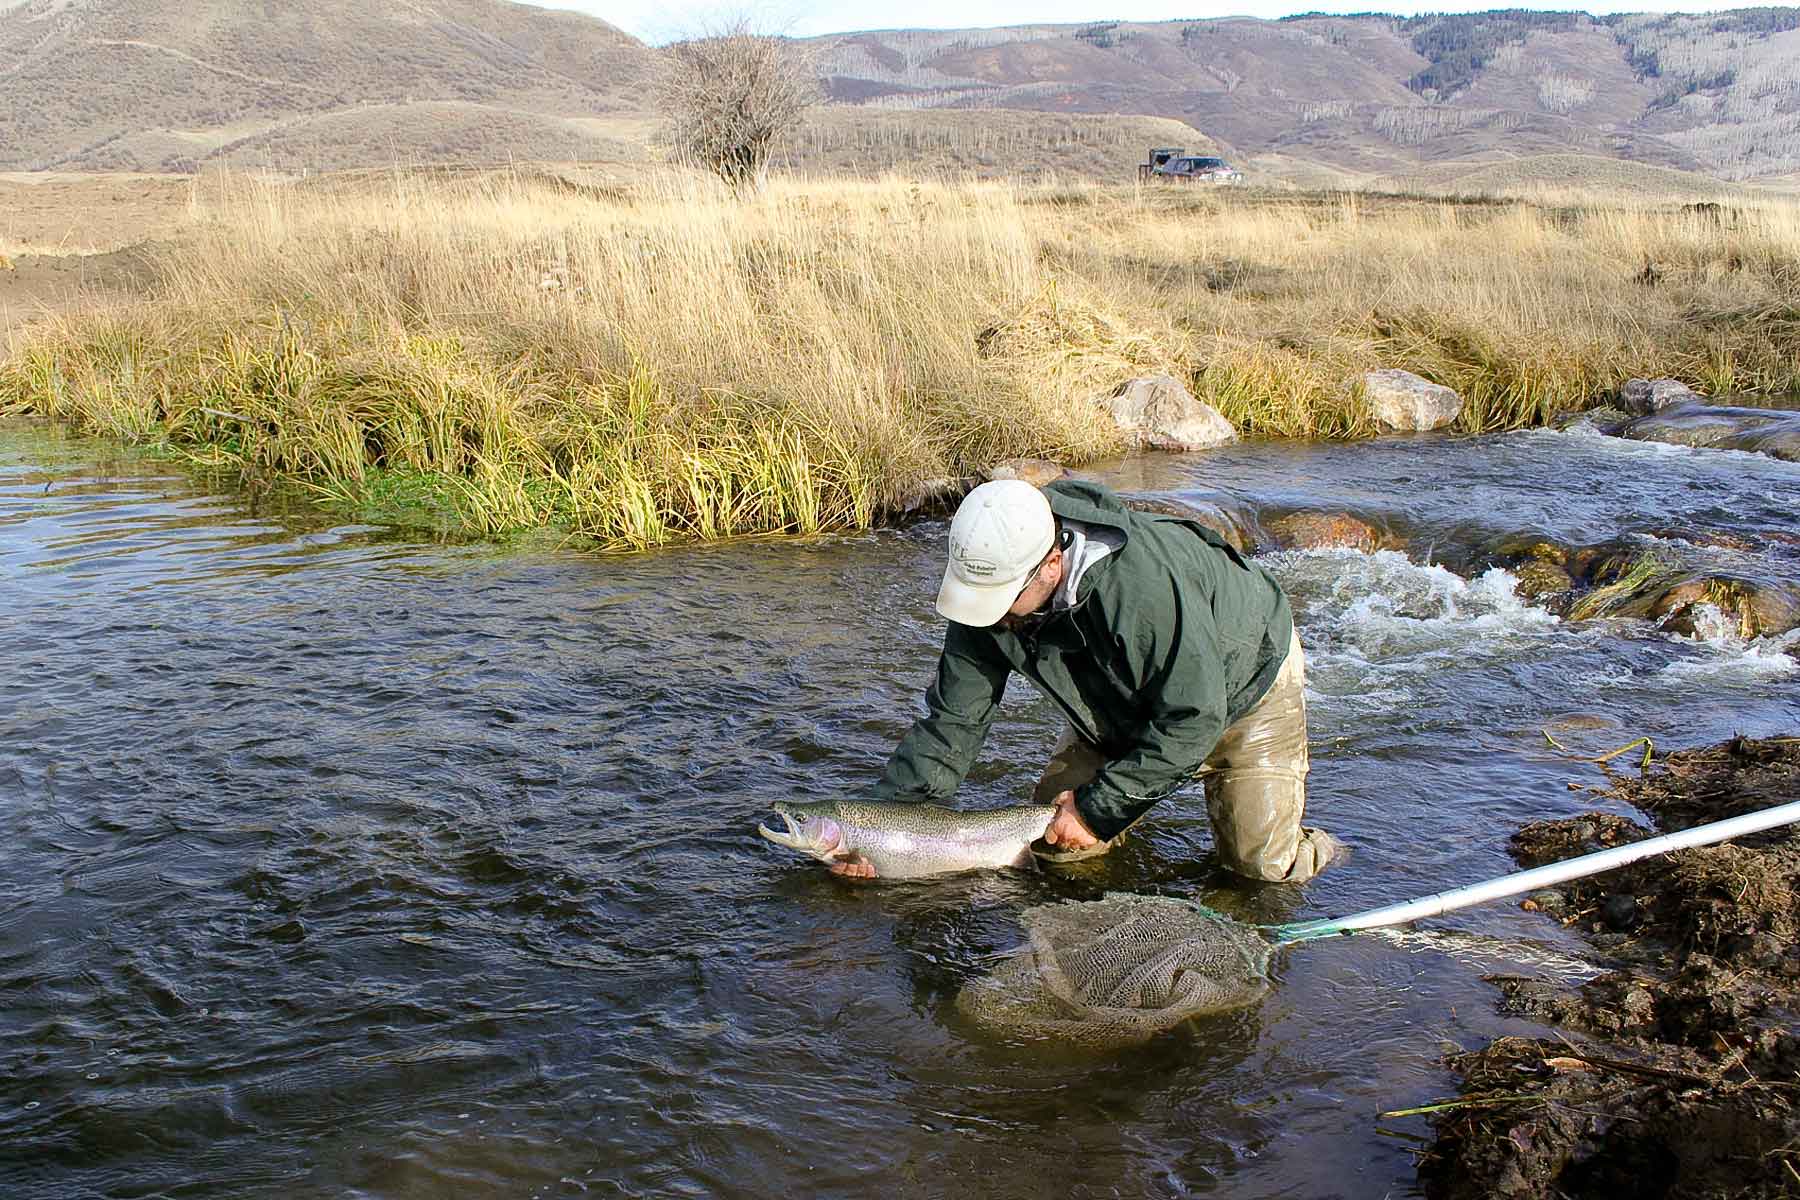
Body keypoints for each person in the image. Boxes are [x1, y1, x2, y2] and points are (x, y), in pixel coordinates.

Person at [842, 477, 1341, 882]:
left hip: (1241, 684)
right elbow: (952, 723)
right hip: (1112, 703)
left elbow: (1194, 718)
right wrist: (879, 833)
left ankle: (1326, 850)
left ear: (1052, 565)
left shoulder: (1144, 592)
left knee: (1259, 872)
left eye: (1000, 600)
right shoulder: (987, 596)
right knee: (1054, 851)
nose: (987, 616)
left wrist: (1097, 810)